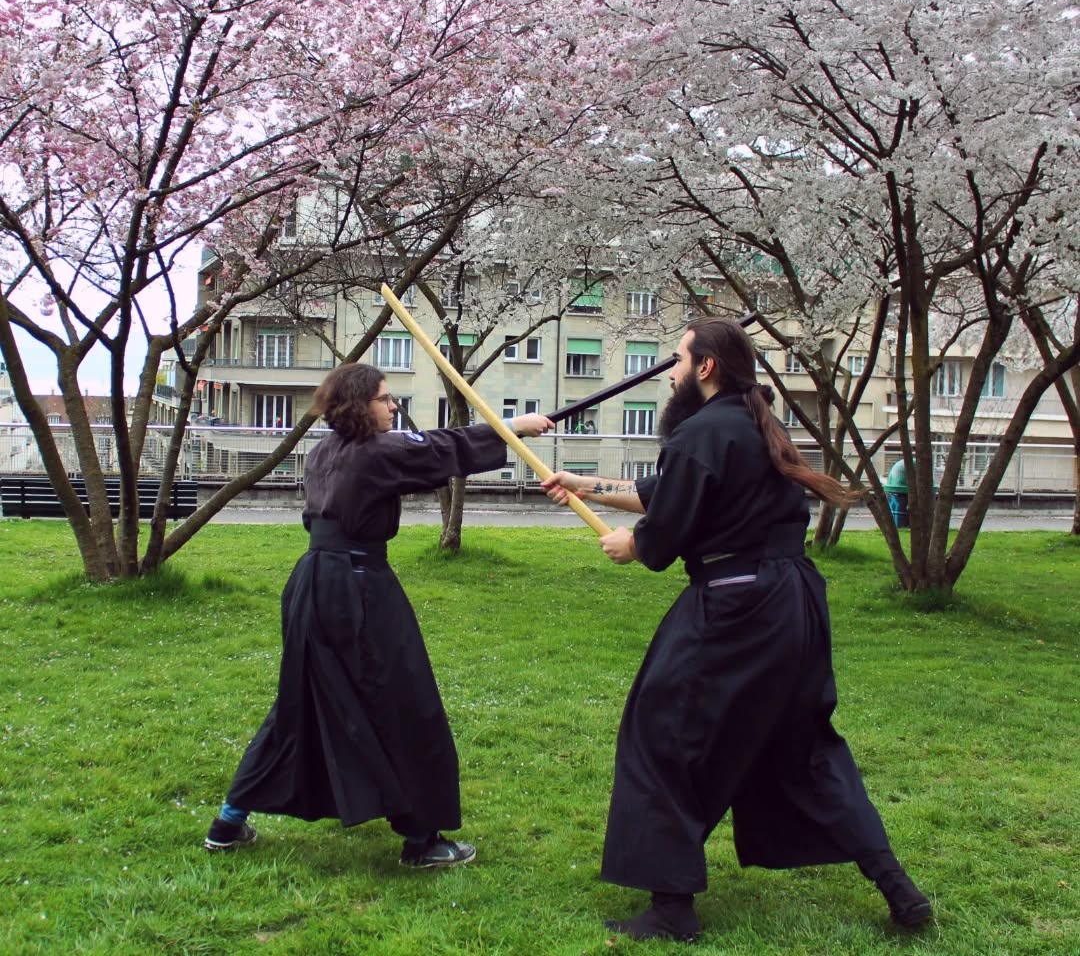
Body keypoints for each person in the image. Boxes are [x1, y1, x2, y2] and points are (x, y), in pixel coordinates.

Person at [542, 318, 931, 943]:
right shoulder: (755, 424)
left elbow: (665, 530)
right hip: (793, 604)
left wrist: (633, 546)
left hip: (735, 606)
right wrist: (585, 485)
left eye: (675, 359)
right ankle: (898, 888)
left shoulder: (700, 432)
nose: (668, 372)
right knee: (802, 745)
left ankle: (671, 908)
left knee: (661, 733)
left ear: (705, 368)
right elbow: (675, 492)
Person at [204, 362, 553, 867]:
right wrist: (514, 428)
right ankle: (423, 841)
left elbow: (428, 445)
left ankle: (228, 821)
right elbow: (439, 449)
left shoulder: (323, 451)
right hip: (358, 588)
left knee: (299, 703)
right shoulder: (377, 452)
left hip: (312, 585)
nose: (393, 407)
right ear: (358, 405)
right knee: (405, 705)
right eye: (385, 399)